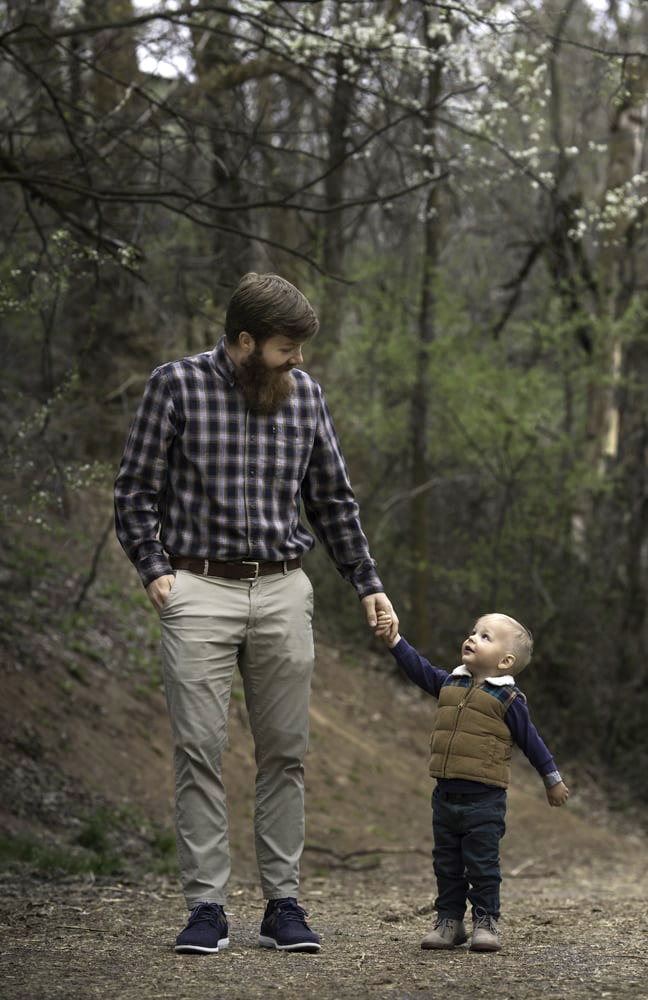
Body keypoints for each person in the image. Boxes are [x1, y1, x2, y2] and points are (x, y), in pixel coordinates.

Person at [114, 272, 398, 955]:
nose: (296, 358)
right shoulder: (175, 385)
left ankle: (283, 905)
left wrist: (367, 582)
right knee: (199, 751)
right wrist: (156, 572)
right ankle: (207, 907)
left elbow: (332, 501)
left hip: (282, 590)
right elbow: (135, 490)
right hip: (197, 589)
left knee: (285, 753)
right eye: (285, 346)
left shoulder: (305, 398)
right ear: (244, 341)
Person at [375, 610, 568, 952]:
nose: (472, 638)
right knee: (446, 864)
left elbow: (532, 741)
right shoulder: (451, 683)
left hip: (485, 800)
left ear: (506, 661)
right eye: (473, 632)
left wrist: (551, 779)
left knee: (482, 865)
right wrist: (395, 641)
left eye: (485, 637)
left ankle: (485, 921)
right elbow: (418, 670)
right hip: (445, 796)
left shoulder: (507, 700)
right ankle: (450, 922)